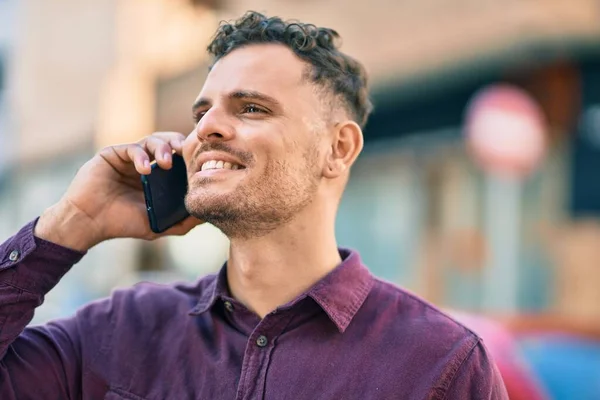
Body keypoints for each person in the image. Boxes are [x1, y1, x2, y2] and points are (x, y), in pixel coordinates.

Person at [0, 11, 508, 399]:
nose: (205, 130)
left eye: (252, 108)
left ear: (339, 148)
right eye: (202, 114)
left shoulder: (441, 364)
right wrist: (72, 223)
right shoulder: (119, 329)